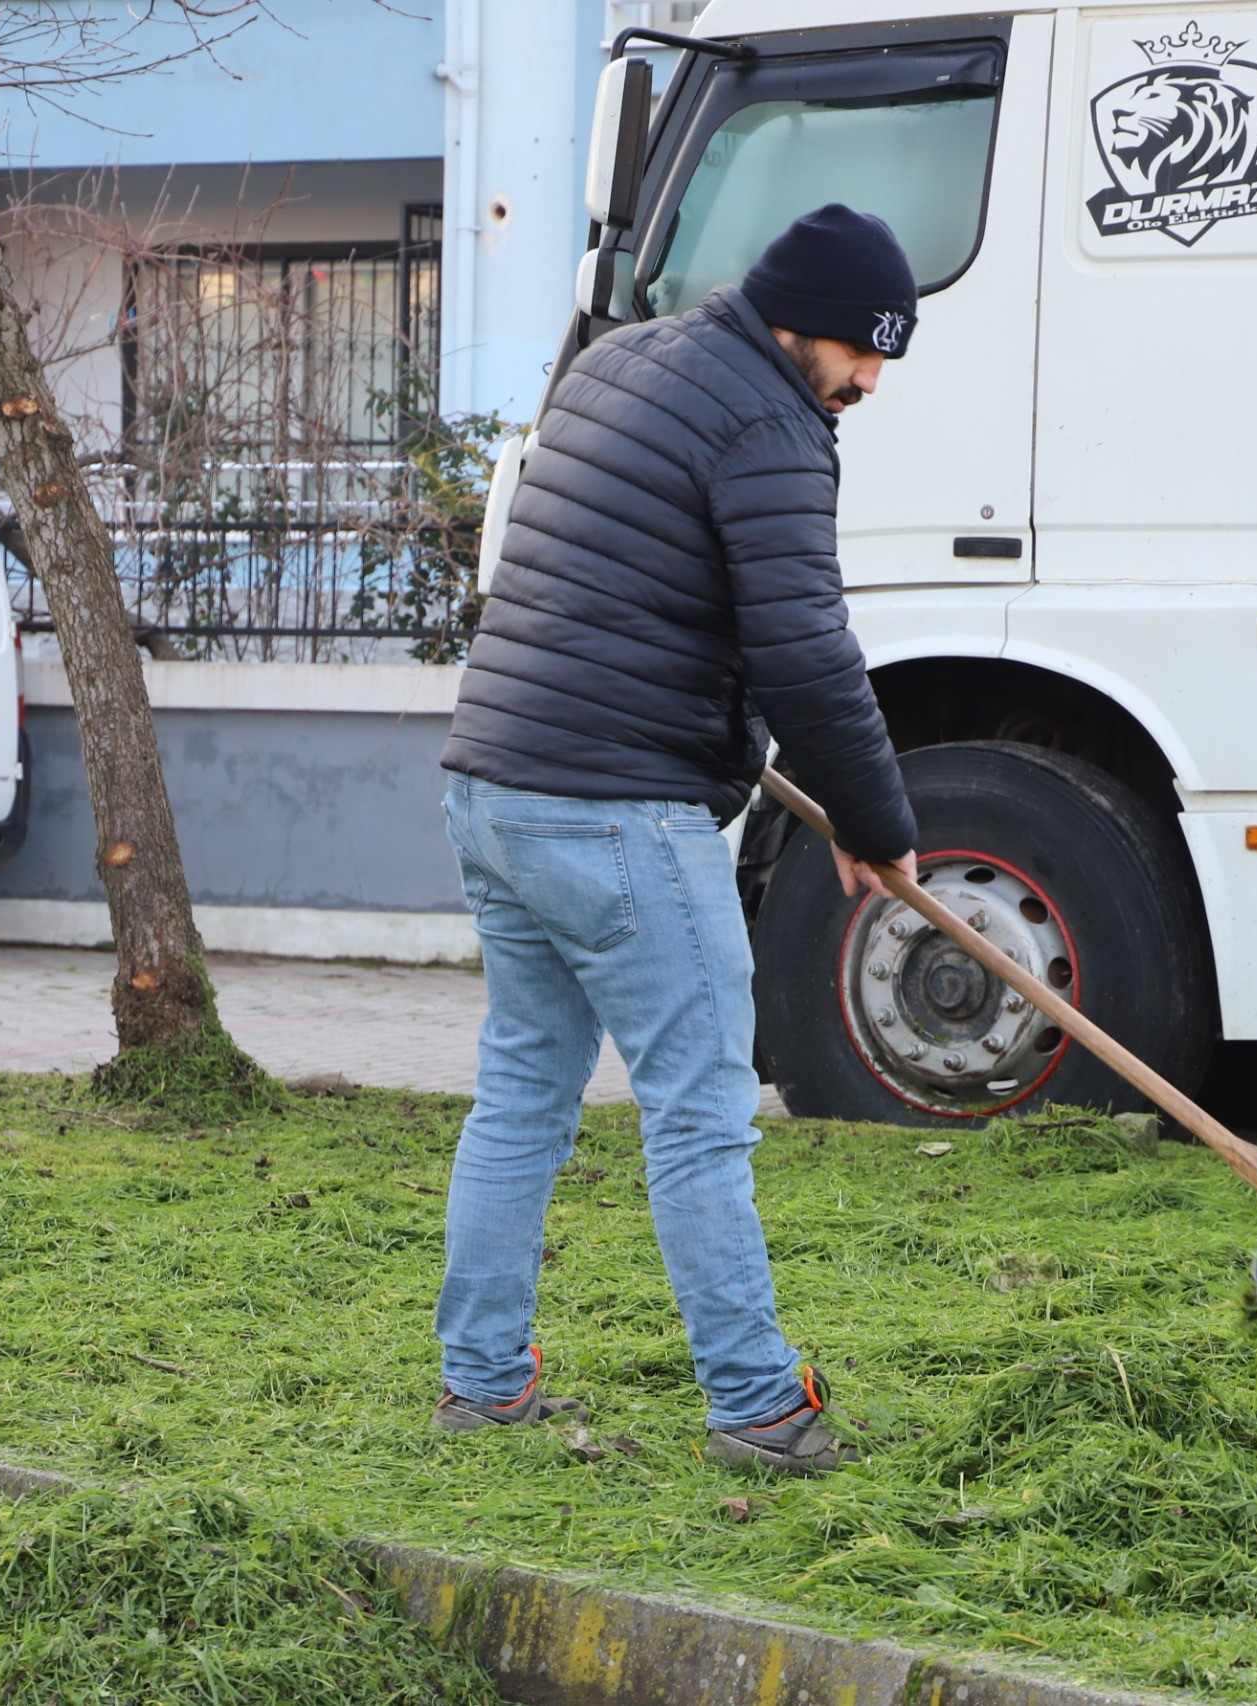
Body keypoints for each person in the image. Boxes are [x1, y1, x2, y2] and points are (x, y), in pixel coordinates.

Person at [432, 205, 922, 1475]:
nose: (869, 382)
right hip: (613, 810)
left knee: (525, 1092)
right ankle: (761, 1403)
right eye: (867, 354)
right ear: (803, 322)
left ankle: (482, 1384)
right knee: (701, 1108)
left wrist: (740, 745)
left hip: (495, 787)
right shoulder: (770, 421)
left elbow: (632, 590)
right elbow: (805, 647)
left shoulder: (617, 361)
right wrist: (879, 823)